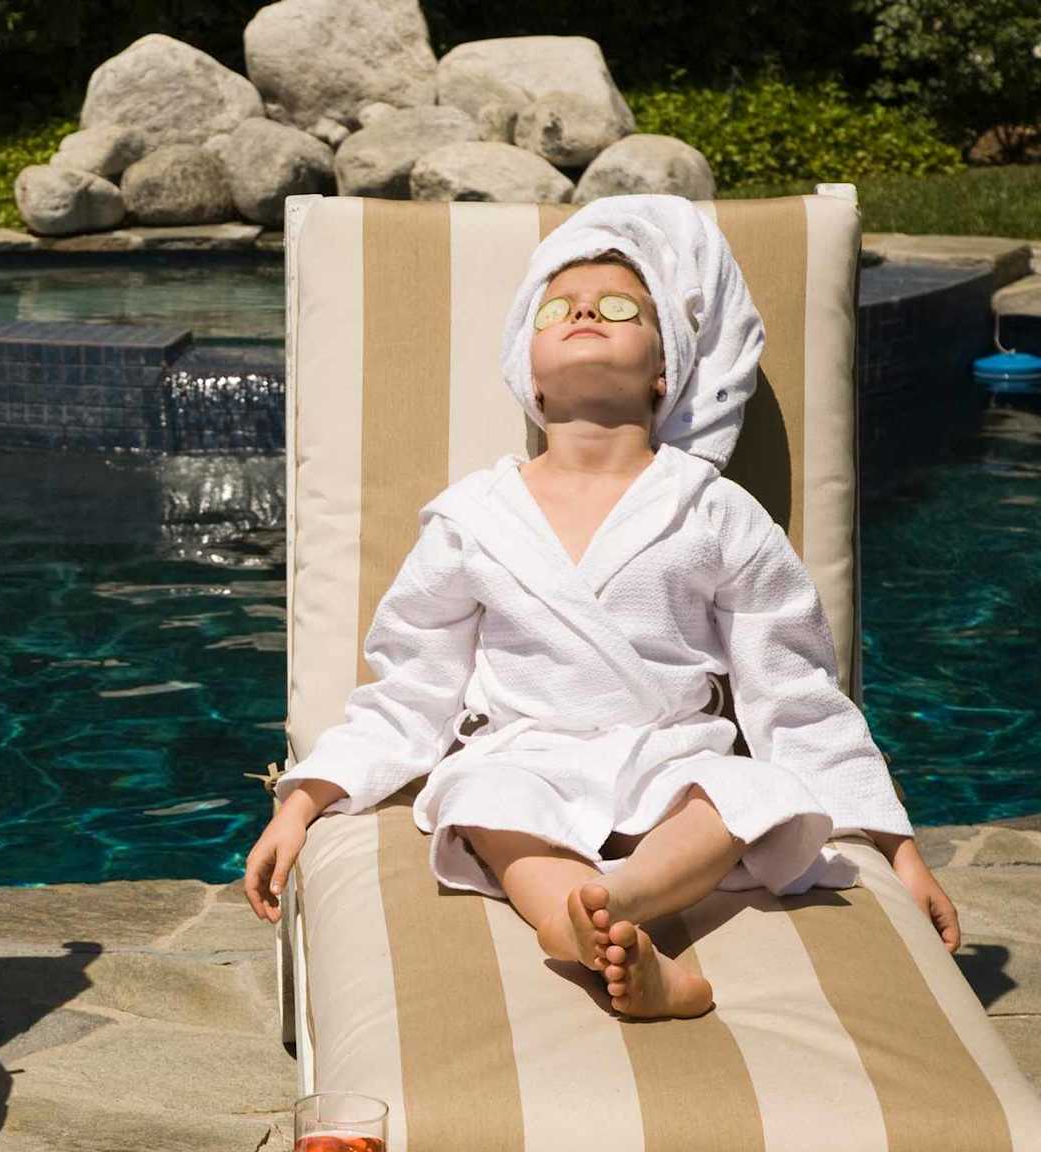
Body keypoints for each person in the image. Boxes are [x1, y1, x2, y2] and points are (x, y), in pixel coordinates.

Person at [243, 195, 959, 1020]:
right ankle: (592, 931)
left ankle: (612, 905)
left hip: (668, 757)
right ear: (529, 367)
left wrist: (895, 844)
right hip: (527, 753)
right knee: (477, 799)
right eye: (559, 307)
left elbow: (792, 691)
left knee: (746, 791)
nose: (584, 309)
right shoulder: (474, 516)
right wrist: (303, 799)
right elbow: (412, 686)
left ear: (667, 367)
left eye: (620, 307)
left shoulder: (715, 511)